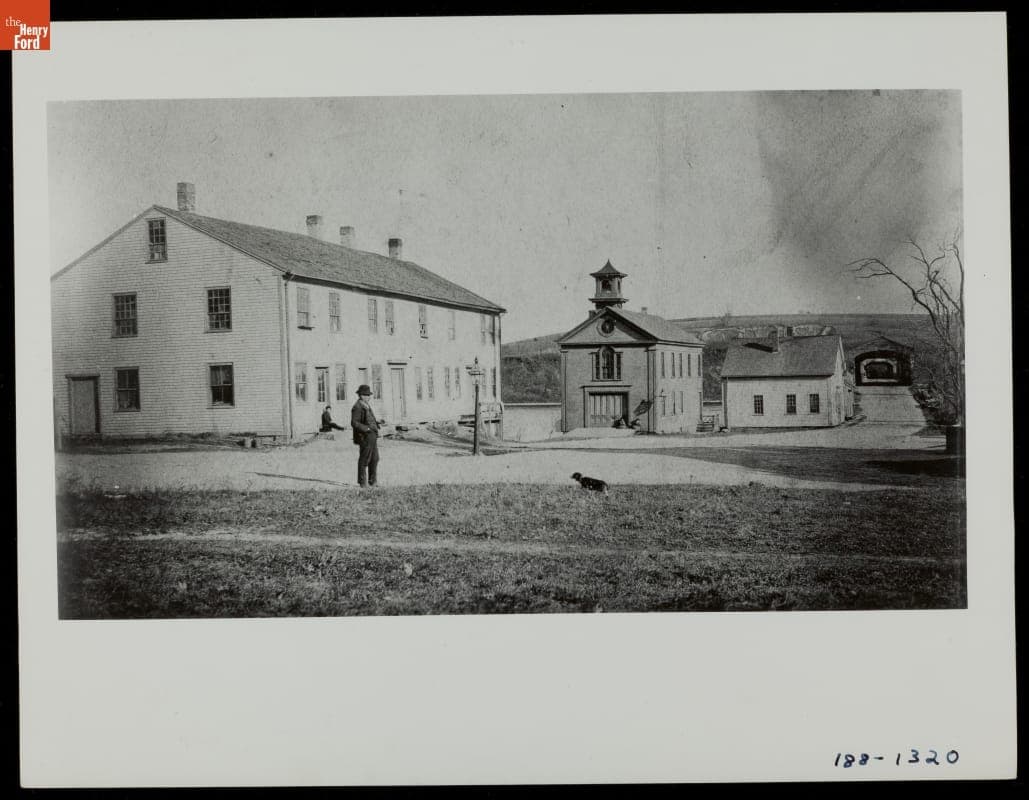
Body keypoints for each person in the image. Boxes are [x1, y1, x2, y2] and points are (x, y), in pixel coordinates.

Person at [350, 385, 381, 487]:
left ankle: (373, 481)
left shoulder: (366, 405)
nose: (369, 397)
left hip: (372, 435)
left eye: (369, 395)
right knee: (365, 459)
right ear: (361, 396)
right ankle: (362, 482)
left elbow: (370, 419)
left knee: (375, 458)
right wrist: (366, 429)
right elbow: (354, 423)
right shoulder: (357, 407)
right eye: (366, 395)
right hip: (365, 437)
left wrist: (377, 423)